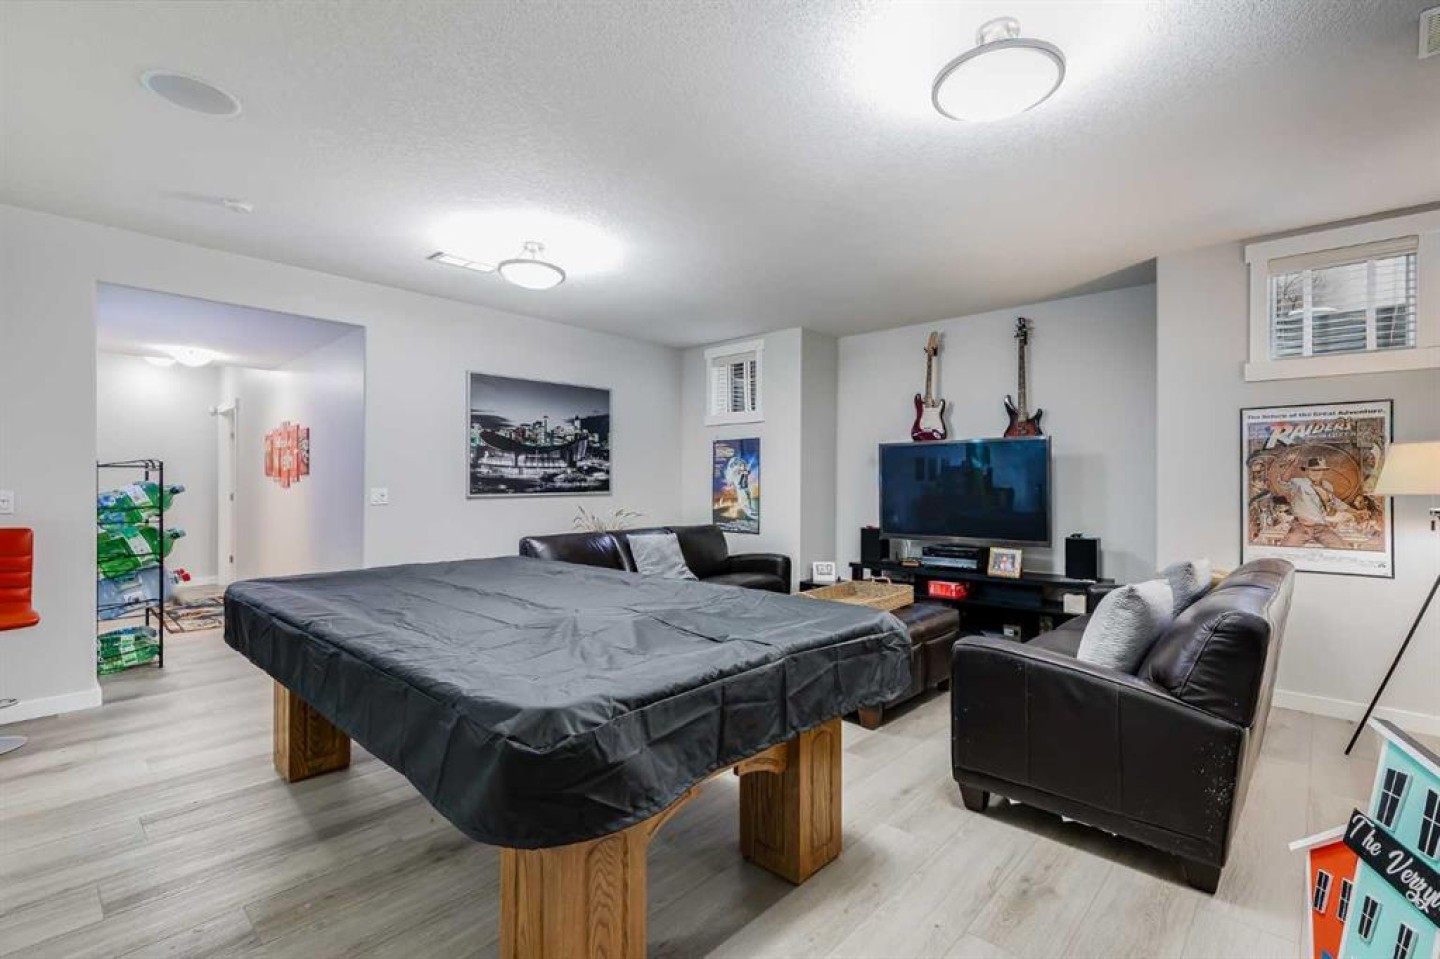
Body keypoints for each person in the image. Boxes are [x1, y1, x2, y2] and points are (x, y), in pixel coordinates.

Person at [1279, 456, 1350, 549]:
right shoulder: (1299, 483)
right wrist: (1292, 466)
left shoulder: (1327, 485)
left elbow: (1335, 502)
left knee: (1342, 547)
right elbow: (1283, 482)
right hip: (1301, 527)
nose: (1316, 473)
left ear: (1323, 471)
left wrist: (1355, 512)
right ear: (1307, 471)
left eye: (1319, 470)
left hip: (1321, 527)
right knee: (1285, 549)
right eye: (1313, 470)